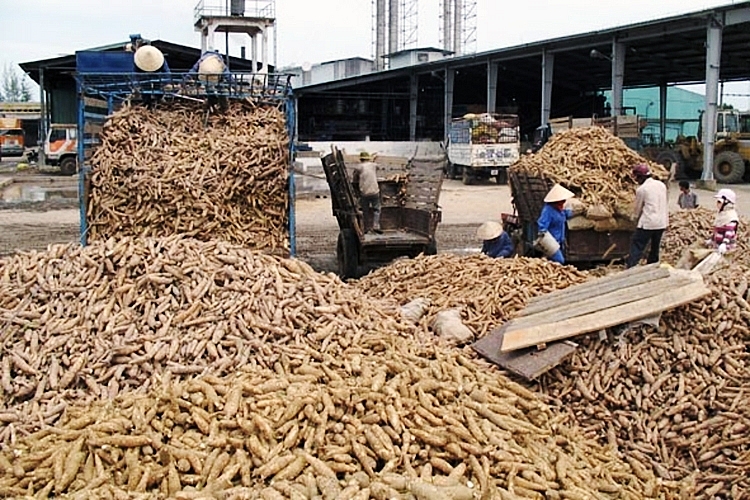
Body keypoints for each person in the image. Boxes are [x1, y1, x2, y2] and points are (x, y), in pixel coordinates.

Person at [626, 163, 668, 268]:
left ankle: (631, 266)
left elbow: (638, 208)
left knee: (637, 245)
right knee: (655, 247)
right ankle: (653, 266)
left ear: (640, 177)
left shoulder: (642, 189)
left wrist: (633, 218)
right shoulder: (661, 185)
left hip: (648, 222)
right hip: (662, 222)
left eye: (637, 178)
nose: (636, 181)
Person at [537, 184, 575, 264]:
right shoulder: (548, 210)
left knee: (554, 261)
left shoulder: (560, 210)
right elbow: (542, 226)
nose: (563, 202)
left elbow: (566, 214)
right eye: (562, 201)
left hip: (560, 240)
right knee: (560, 260)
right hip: (552, 242)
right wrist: (545, 238)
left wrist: (574, 211)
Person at [351, 152, 382, 234]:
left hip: (364, 192)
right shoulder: (373, 165)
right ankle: (376, 225)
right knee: (377, 209)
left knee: (365, 211)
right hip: (375, 191)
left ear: (361, 159)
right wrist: (373, 160)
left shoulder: (359, 167)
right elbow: (378, 167)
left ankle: (366, 228)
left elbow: (354, 179)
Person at [708, 188, 739, 253]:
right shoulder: (721, 215)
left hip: (726, 249)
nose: (717, 204)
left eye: (719, 202)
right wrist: (712, 239)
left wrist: (724, 244)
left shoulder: (731, 217)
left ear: (727, 202)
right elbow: (717, 230)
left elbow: (729, 232)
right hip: (717, 247)